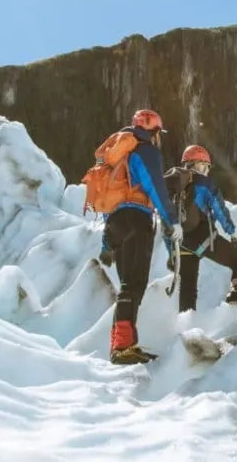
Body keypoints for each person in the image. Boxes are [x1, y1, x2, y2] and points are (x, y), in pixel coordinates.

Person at [83, 109, 181, 365]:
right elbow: (155, 187)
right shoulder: (145, 151)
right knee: (134, 285)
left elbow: (109, 201)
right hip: (137, 220)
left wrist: (109, 241)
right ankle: (123, 346)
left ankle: (122, 344)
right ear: (154, 132)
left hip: (116, 222)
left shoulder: (117, 156)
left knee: (128, 286)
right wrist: (172, 221)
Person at [163, 144, 237, 312]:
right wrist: (231, 231)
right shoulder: (203, 183)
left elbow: (165, 222)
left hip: (181, 243)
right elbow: (219, 209)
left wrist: (172, 252)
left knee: (188, 289)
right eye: (204, 166)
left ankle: (186, 325)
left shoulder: (171, 186)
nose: (205, 171)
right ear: (196, 165)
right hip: (202, 236)